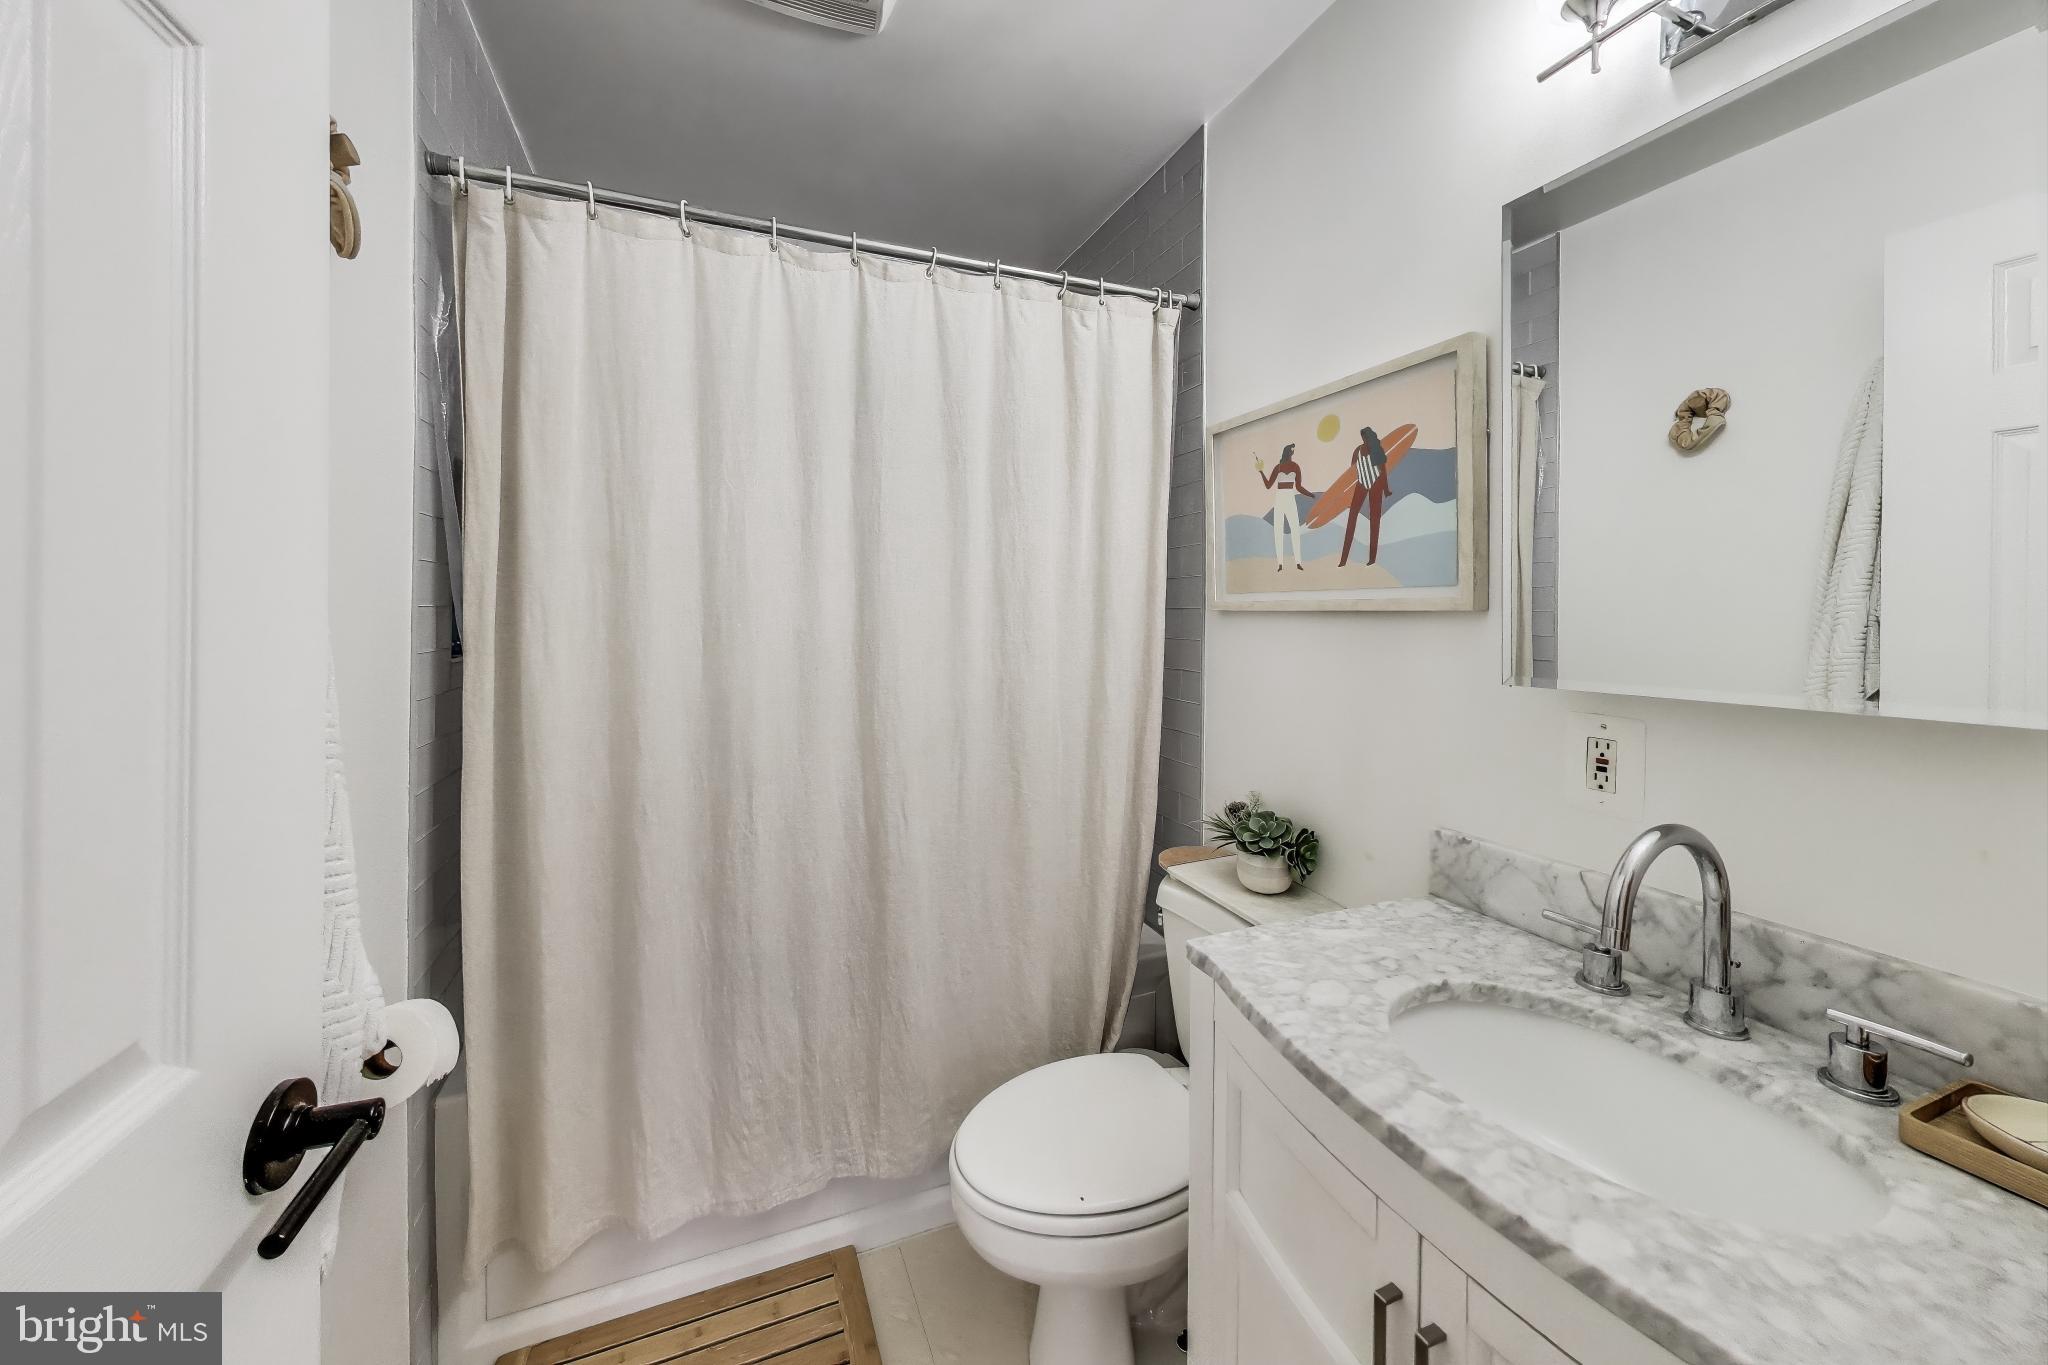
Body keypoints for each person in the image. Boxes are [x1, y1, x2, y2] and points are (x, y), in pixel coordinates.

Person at [1256, 444, 1313, 571]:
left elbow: (1298, 487)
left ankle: (1298, 561)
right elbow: (1268, 485)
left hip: (1289, 498)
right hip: (1280, 499)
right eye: (1291, 452)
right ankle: (1280, 563)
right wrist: (1261, 471)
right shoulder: (1280, 467)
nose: (1292, 455)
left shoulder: (1294, 466)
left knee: (1295, 529)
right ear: (1289, 453)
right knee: (1278, 530)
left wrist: (1310, 494)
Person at [1340, 426, 1390, 567]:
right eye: (1363, 437)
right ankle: (1343, 559)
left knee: (1374, 521)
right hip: (1362, 483)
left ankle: (1372, 559)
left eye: (1365, 437)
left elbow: (1383, 470)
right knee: (1352, 517)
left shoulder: (1376, 449)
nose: (1364, 439)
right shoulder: (1358, 451)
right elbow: (1352, 470)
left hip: (1376, 484)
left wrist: (1385, 489)